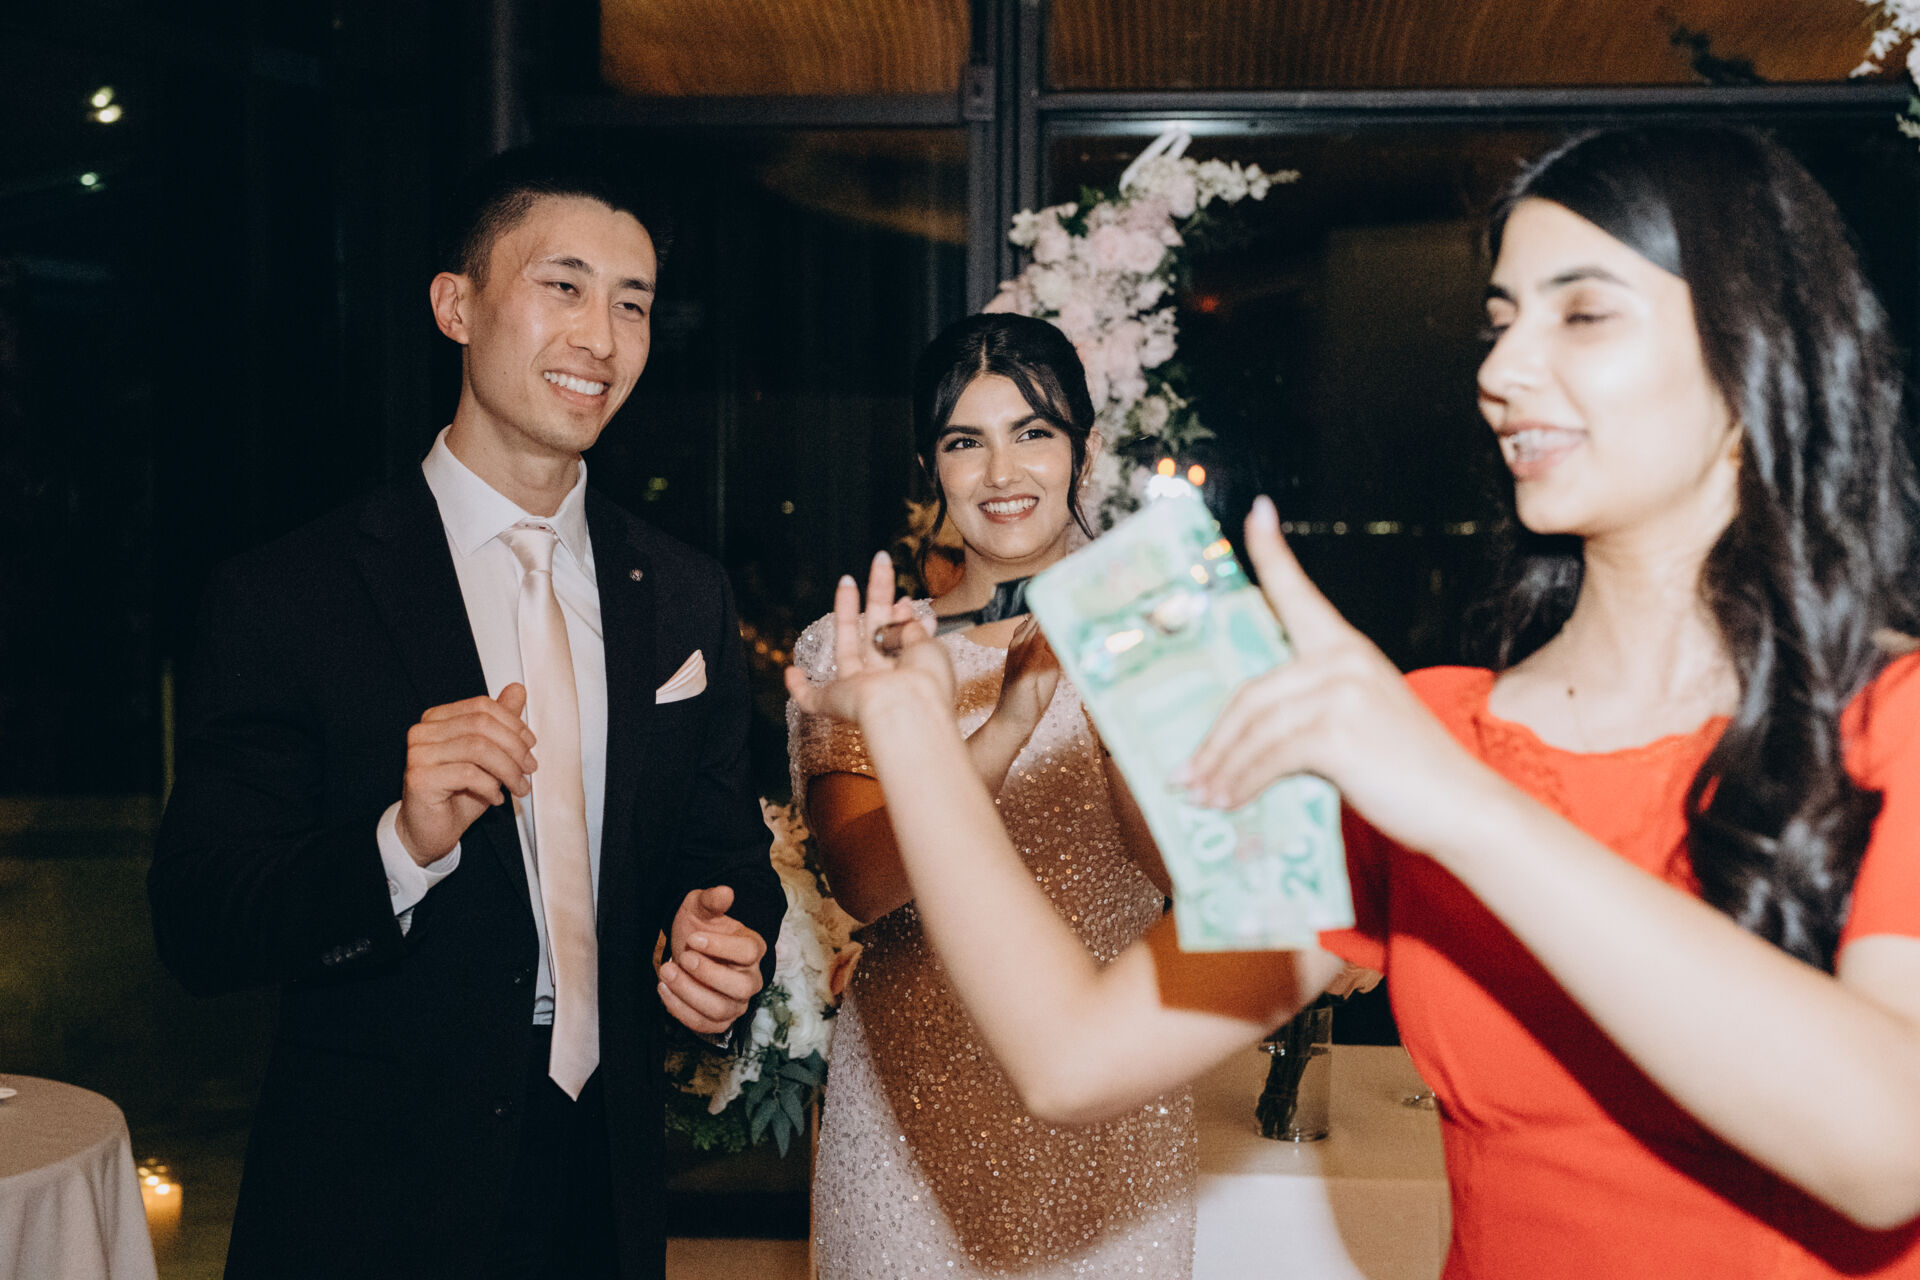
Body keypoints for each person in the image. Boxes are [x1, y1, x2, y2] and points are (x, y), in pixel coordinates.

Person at [786, 127, 1920, 1278]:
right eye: (1500, 321)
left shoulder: (1893, 722)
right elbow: (1071, 1055)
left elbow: (1887, 1147)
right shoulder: (1431, 726)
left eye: (1582, 313)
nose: (1504, 370)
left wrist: (1461, 805)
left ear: (1756, 347)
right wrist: (915, 733)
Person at [149, 148, 785, 1280]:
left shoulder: (685, 593)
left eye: (632, 304)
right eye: (564, 286)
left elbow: (727, 857)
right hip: (372, 1198)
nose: (601, 338)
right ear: (456, 305)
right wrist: (401, 842)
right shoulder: (291, 593)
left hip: (606, 1187)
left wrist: (724, 946)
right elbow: (199, 922)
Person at [788, 312, 1197, 1277]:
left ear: (1084, 451)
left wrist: (1113, 694)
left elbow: (1186, 873)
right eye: (965, 442)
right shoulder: (867, 650)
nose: (1001, 473)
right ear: (931, 468)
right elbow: (865, 885)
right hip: (908, 1125)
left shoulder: (1162, 635)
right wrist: (1005, 727)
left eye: (1033, 433)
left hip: (1116, 1107)